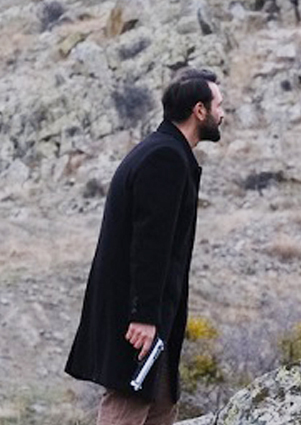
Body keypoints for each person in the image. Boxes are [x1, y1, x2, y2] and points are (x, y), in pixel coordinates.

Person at [66, 68, 225, 425]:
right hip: (137, 319)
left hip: (155, 317)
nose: (222, 114)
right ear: (199, 110)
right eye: (219, 105)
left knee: (160, 403)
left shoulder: (166, 151)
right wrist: (144, 316)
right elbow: (149, 245)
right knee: (127, 402)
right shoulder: (164, 158)